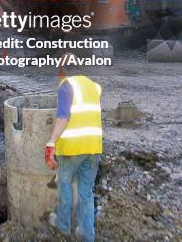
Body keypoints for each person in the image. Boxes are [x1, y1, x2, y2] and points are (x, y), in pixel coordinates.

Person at [44, 65, 102, 241]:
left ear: (62, 71)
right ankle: (87, 235)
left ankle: (63, 228)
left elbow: (63, 117)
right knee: (86, 192)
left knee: (64, 185)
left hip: (71, 149)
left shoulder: (66, 85)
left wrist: (51, 142)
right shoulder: (94, 86)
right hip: (93, 148)